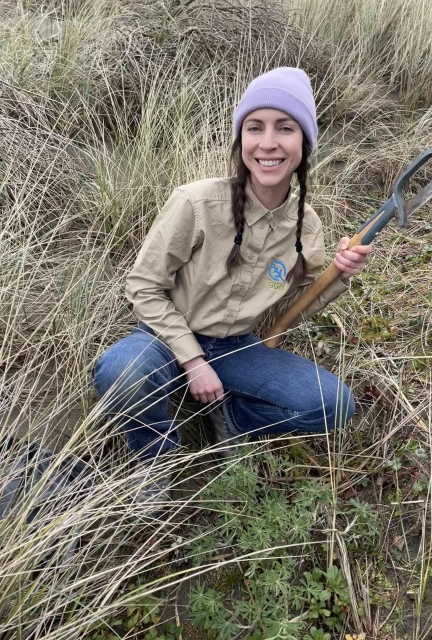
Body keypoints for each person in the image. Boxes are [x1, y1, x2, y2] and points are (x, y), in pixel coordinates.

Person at [93, 67, 373, 504]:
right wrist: (192, 361)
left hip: (237, 347)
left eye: (285, 128)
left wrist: (339, 274)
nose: (268, 143)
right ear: (240, 139)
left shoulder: (307, 227)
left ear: (304, 143)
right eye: (254, 127)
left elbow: (290, 309)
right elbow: (143, 286)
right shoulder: (196, 202)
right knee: (121, 371)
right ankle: (156, 459)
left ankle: (233, 417)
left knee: (333, 405)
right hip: (166, 337)